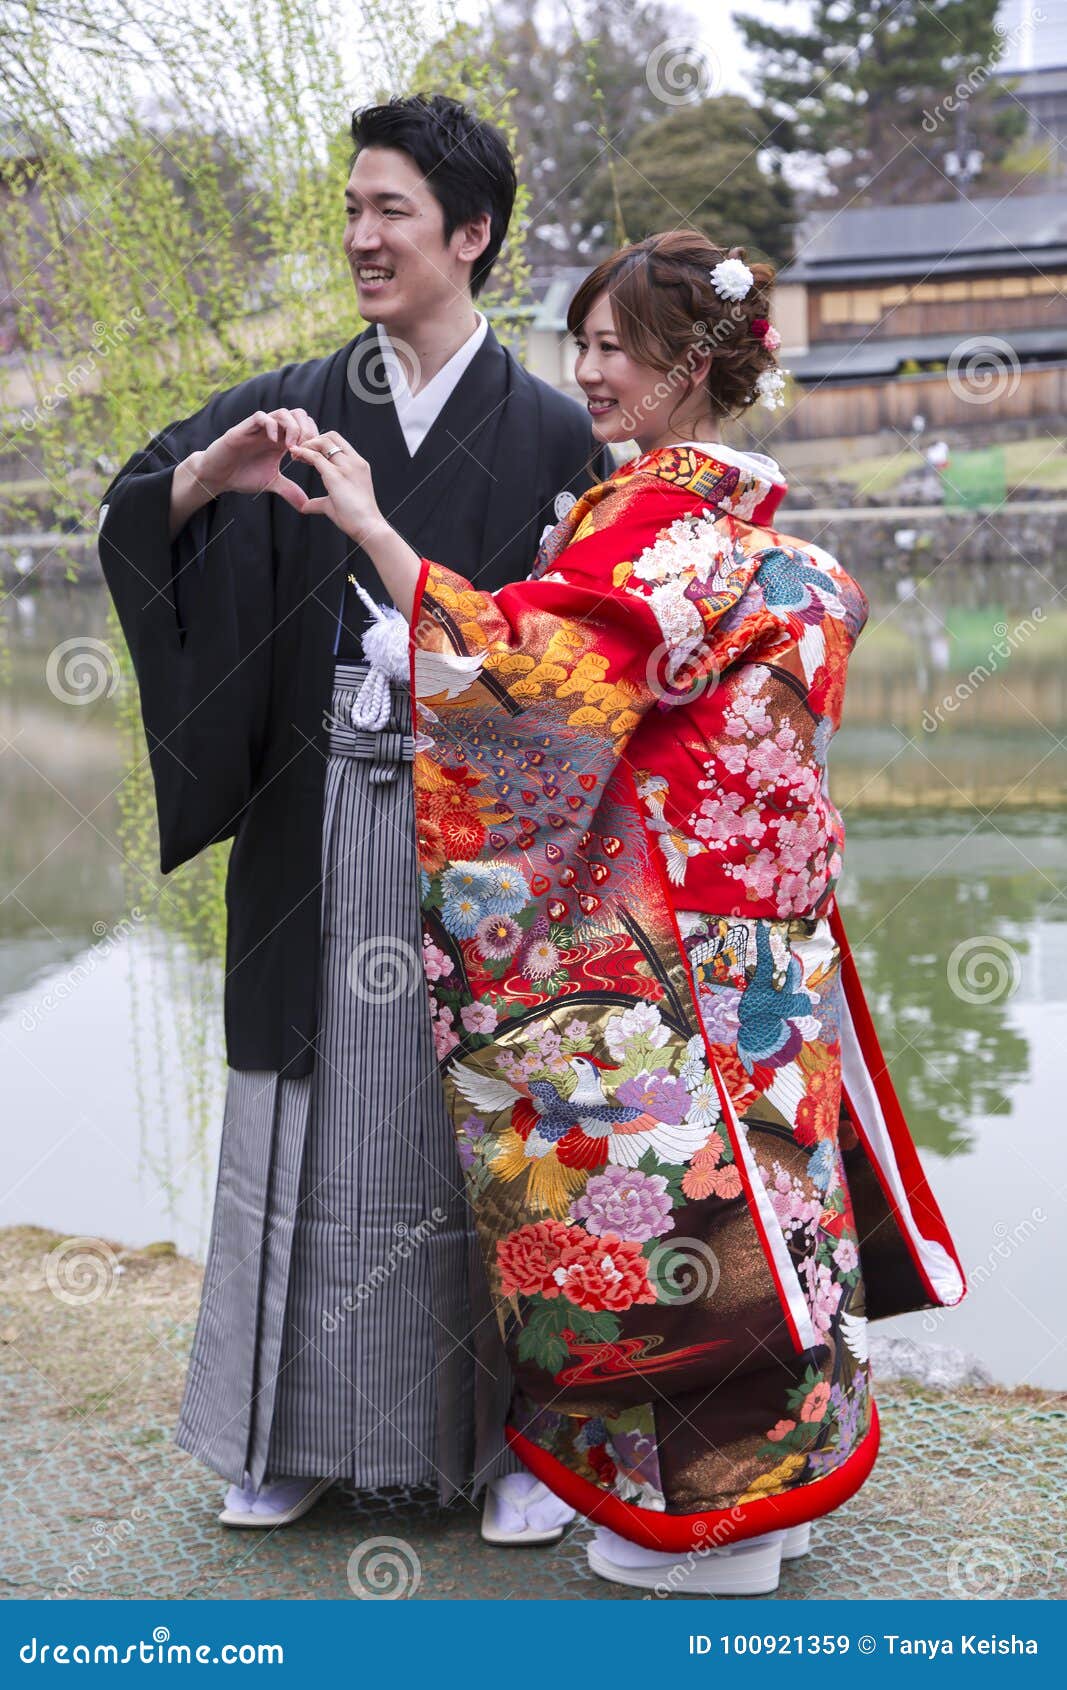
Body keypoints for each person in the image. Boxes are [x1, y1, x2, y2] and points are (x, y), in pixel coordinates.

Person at [282, 228, 968, 1593]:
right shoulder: (755, 532)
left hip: (665, 955)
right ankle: (779, 1499)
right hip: (766, 941)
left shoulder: (654, 521)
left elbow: (529, 676)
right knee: (771, 1215)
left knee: (667, 1226)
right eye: (582, 343)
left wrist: (371, 527)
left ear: (692, 368)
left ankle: (703, 1522)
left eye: (616, 350)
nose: (587, 371)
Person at [98, 92, 610, 1538]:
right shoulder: (301, 404)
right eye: (351, 208)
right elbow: (138, 509)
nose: (360, 236)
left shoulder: (557, 432)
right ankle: (288, 1432)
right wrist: (216, 474)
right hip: (316, 819)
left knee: (490, 1128)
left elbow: (592, 667)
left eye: (390, 209)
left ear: (472, 233)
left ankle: (521, 1446)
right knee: (308, 1127)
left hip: (488, 848)